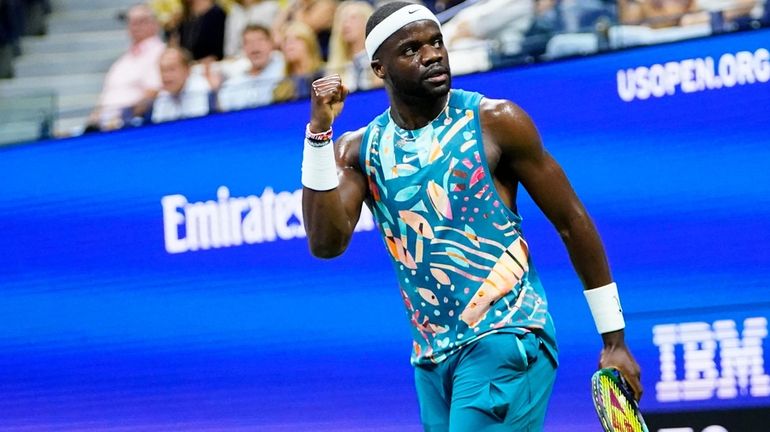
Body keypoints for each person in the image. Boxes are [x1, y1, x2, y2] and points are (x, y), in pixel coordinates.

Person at [300, 2, 643, 430]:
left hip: (507, 337)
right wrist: (318, 135)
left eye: (436, 42)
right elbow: (325, 242)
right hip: (431, 359)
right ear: (379, 68)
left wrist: (614, 341)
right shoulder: (359, 150)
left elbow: (572, 222)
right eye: (411, 50)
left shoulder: (496, 122)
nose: (431, 55)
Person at [86, 4, 166, 131]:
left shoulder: (160, 53)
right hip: (103, 125)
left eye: (141, 21)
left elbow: (152, 93)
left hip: (130, 126)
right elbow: (106, 95)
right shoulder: (123, 60)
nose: (135, 27)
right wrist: (93, 121)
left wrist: (122, 118)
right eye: (131, 22)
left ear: (155, 24)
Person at [216, 24, 286, 111]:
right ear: (243, 48)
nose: (254, 46)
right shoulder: (233, 85)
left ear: (271, 43)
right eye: (248, 42)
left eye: (260, 40)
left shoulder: (285, 69)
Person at [325, 0, 381, 92]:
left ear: (368, 22)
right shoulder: (333, 69)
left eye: (353, 18)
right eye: (342, 20)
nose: (346, 24)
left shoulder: (380, 60)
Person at [148, 47, 213, 123]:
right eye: (163, 70)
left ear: (187, 70)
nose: (166, 76)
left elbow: (196, 124)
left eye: (171, 69)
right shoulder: (162, 95)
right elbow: (159, 126)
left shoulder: (199, 88)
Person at [272, 21, 325, 102]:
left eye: (296, 39)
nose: (289, 44)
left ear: (309, 43)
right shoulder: (280, 88)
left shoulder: (325, 75)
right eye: (285, 40)